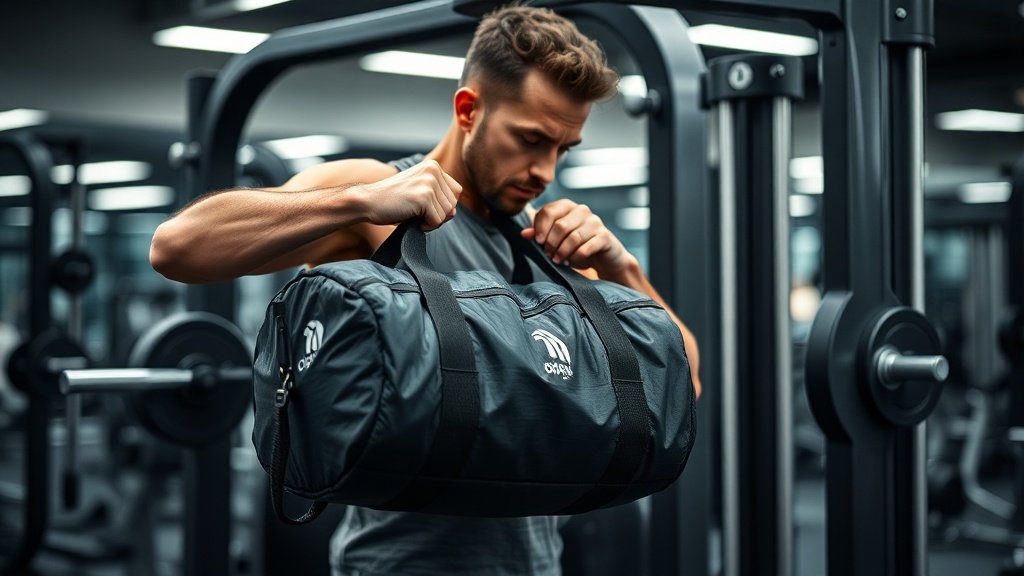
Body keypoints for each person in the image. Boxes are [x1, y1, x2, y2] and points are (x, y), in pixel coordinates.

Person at [151, 5, 701, 575]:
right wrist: (361, 200)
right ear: (468, 110)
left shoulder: (544, 244)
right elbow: (176, 248)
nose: (545, 170)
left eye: (563, 149)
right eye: (531, 139)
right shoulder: (378, 194)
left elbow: (683, 385)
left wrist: (619, 266)